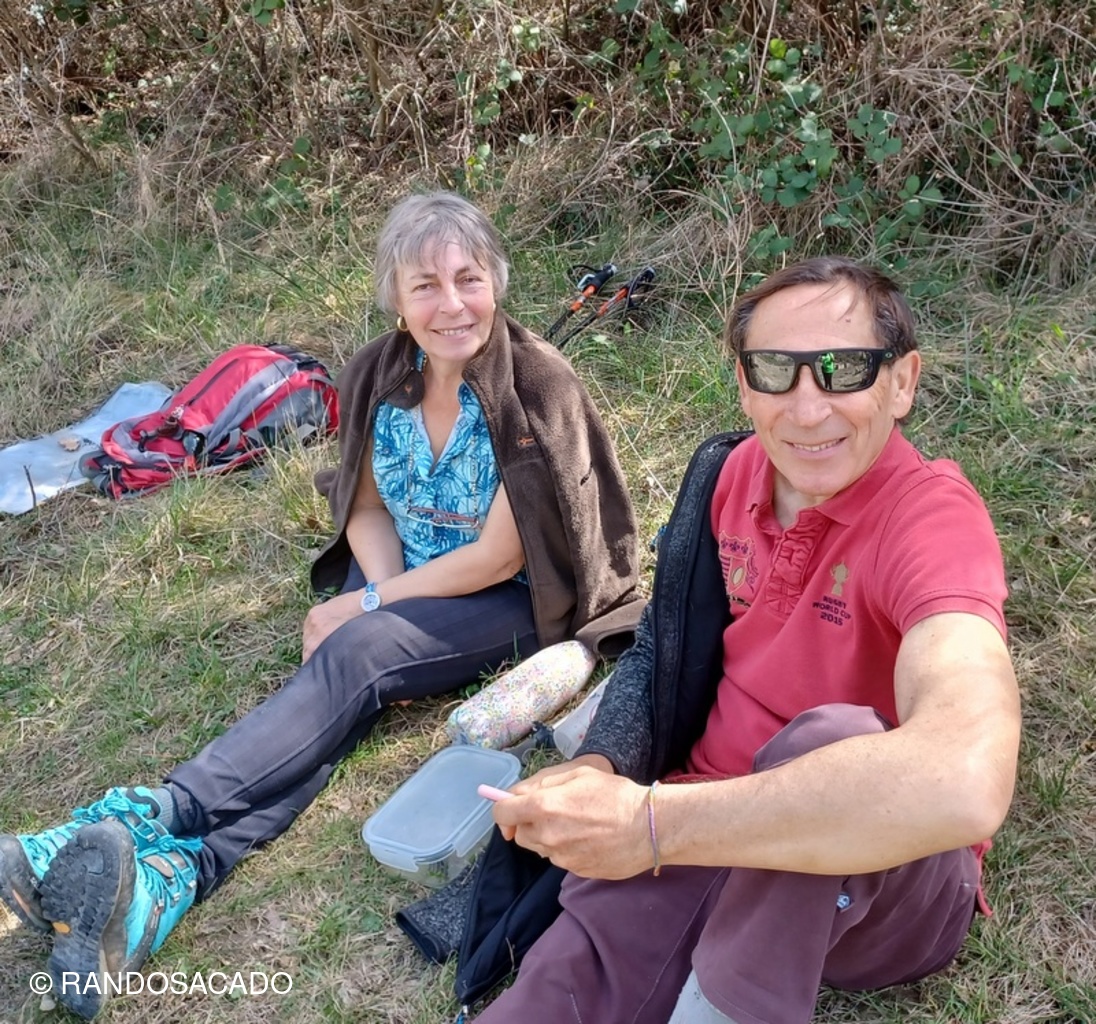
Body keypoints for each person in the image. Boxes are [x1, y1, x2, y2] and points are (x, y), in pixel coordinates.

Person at [0, 191, 644, 1019]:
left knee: (357, 654)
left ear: (496, 282)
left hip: (515, 596)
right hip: (408, 576)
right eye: (426, 285)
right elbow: (367, 508)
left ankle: (153, 811)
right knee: (330, 704)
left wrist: (369, 606)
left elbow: (500, 555)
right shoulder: (380, 372)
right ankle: (163, 886)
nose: (452, 304)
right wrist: (376, 595)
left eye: (469, 278)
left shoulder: (537, 382)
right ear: (396, 298)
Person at [476, 257, 1021, 1024]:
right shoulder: (728, 476)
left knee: (829, 747)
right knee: (555, 994)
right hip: (706, 818)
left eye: (844, 370)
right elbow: (661, 651)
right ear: (743, 384)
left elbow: (966, 776)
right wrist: (601, 773)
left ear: (902, 382)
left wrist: (650, 825)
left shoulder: (930, 521)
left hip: (882, 877)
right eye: (775, 371)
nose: (807, 409)